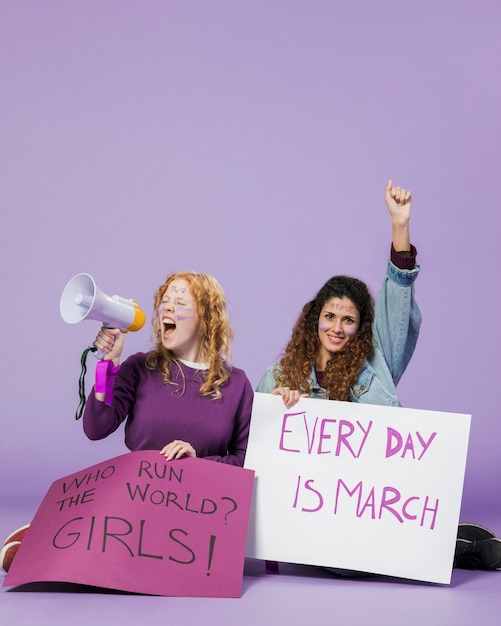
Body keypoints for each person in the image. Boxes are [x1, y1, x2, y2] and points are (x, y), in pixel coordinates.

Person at [257, 180, 501, 573]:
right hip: (317, 519)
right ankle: (444, 543)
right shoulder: (278, 375)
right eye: (330, 316)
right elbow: (260, 454)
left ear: (361, 326)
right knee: (342, 563)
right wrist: (277, 405)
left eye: (349, 320)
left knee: (363, 554)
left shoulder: (376, 363)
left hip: (371, 504)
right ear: (314, 318)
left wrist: (399, 226)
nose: (337, 327)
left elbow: (398, 296)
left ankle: (443, 543)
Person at [1, 271, 254, 574]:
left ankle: (57, 538)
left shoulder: (236, 384)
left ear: (207, 318)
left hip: (198, 513)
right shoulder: (140, 367)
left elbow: (245, 462)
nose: (167, 308)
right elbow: (96, 428)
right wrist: (107, 364)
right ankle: (57, 537)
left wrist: (197, 462)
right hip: (137, 507)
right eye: (166, 301)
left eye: (180, 301)